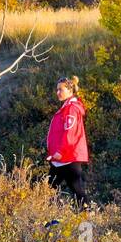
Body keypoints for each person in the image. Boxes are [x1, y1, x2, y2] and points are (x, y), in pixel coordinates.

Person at [46, 75, 89, 206]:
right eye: (57, 89)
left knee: (75, 191)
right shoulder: (66, 107)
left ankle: (88, 217)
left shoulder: (71, 109)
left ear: (70, 91)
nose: (58, 92)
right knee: (49, 191)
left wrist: (60, 151)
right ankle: (55, 218)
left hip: (67, 157)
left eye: (61, 89)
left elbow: (70, 133)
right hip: (61, 159)